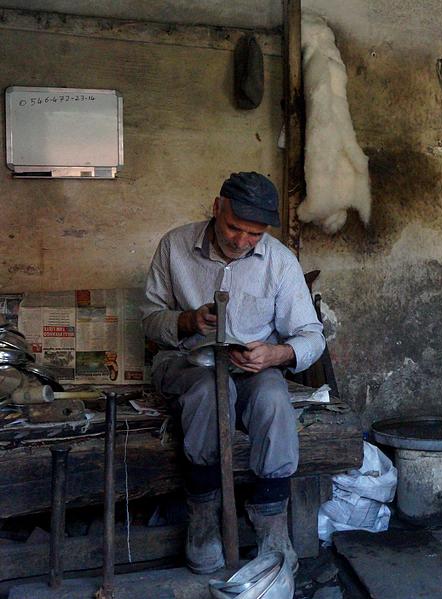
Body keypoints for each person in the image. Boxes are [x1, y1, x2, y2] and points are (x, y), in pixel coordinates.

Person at [142, 171, 325, 574]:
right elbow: (149, 320)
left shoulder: (279, 261)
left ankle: (271, 526)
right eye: (234, 228)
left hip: (251, 368)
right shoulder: (175, 246)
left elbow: (312, 336)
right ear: (216, 208)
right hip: (187, 363)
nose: (242, 241)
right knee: (209, 389)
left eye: (254, 235)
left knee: (275, 400)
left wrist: (276, 354)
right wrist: (188, 321)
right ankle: (203, 515)